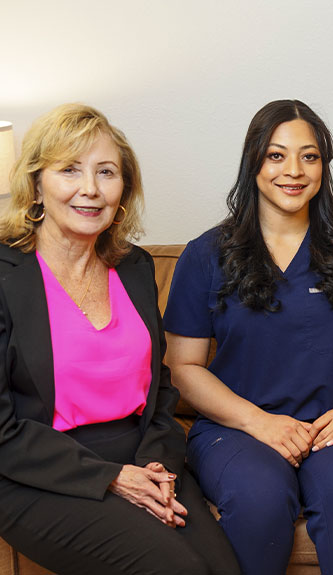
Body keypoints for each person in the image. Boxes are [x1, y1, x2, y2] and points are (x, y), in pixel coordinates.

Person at [0, 104, 240, 575]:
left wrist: (155, 467)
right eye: (69, 169)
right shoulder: (6, 275)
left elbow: (161, 390)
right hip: (36, 468)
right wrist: (114, 480)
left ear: (123, 189)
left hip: (139, 454)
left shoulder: (133, 267)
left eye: (105, 172)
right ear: (36, 184)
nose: (90, 188)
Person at [164, 100, 333, 575]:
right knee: (260, 499)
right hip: (236, 430)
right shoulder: (205, 254)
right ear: (254, 162)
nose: (294, 170)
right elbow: (183, 368)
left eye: (309, 156)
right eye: (276, 155)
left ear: (324, 167)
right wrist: (258, 422)